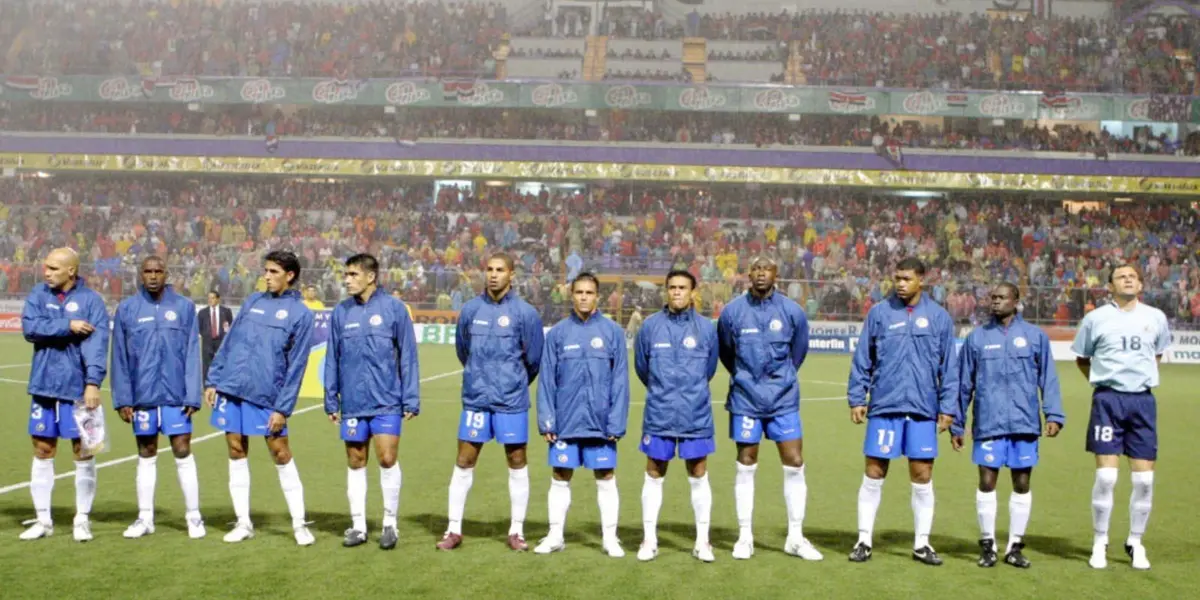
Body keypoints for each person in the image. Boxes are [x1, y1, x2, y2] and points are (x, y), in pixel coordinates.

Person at [847, 257, 958, 566]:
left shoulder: (939, 317)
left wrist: (949, 407)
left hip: (923, 408)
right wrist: (857, 397)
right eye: (896, 278)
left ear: (922, 280)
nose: (900, 283)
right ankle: (863, 539)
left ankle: (922, 543)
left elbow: (950, 368)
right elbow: (862, 359)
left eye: (907, 278)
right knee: (874, 472)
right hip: (885, 405)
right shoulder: (880, 313)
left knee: (922, 474)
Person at [205, 250, 316, 546]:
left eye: (273, 272)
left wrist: (283, 407)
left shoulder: (301, 314)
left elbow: (297, 365)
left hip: (267, 394)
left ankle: (299, 523)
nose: (266, 276)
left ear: (289, 275)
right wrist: (214, 379)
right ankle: (243, 523)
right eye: (265, 271)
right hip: (232, 387)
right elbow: (230, 342)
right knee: (235, 449)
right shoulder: (253, 301)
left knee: (280, 453)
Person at [717, 255, 821, 561]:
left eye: (768, 269)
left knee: (794, 461)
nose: (762, 274)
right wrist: (745, 379)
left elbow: (798, 352)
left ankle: (795, 536)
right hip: (746, 399)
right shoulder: (732, 312)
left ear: (776, 274)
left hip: (783, 399)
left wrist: (780, 381)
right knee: (746, 461)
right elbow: (726, 352)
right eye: (757, 269)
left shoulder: (792, 311)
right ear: (749, 274)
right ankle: (745, 536)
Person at [952, 282, 1064, 568]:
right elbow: (964, 384)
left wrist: (1053, 414)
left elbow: (1048, 379)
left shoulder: (1034, 337)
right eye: (993, 297)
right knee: (987, 482)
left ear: (1016, 301)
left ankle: (1015, 545)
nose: (995, 302)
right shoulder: (976, 338)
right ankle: (987, 544)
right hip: (989, 421)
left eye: (1002, 298)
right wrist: (957, 423)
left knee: (1022, 482)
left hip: (1024, 422)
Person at [438, 253, 544, 551]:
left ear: (512, 275)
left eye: (500, 270)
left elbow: (533, 360)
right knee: (464, 461)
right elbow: (463, 351)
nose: (493, 275)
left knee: (517, 461)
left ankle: (517, 531)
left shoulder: (526, 313)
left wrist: (513, 382)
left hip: (511, 401)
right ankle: (454, 529)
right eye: (489, 269)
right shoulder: (471, 310)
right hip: (476, 400)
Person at [1071, 264, 1170, 571]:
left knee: (1144, 481)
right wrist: (1104, 380)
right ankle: (1100, 541)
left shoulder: (1156, 317)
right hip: (1108, 400)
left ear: (1140, 285)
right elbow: (1082, 358)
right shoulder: (1096, 319)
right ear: (1110, 286)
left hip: (1142, 401)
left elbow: (1157, 355)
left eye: (1133, 276)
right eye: (1121, 277)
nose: (1128, 279)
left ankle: (1135, 541)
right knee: (1107, 477)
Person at [325, 254, 420, 551]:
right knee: (355, 461)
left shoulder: (393, 309)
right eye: (346, 274)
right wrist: (331, 399)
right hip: (353, 401)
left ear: (371, 277)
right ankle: (358, 526)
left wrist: (411, 397)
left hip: (386, 400)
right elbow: (332, 357)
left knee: (387, 459)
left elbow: (408, 355)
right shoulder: (341, 313)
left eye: (353, 274)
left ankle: (390, 524)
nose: (347, 279)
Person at [534, 272, 630, 557]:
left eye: (589, 292)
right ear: (571, 295)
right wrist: (547, 420)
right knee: (560, 475)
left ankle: (610, 538)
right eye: (579, 292)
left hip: (601, 422)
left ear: (597, 296)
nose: (584, 297)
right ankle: (555, 535)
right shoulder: (558, 334)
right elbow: (546, 380)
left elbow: (621, 381)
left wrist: (616, 421)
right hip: (565, 421)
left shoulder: (612, 332)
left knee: (605, 475)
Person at [110, 256, 206, 540]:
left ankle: (194, 516)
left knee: (182, 449)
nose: (153, 276)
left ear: (167, 274)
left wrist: (192, 394)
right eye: (148, 271)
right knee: (146, 452)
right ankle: (145, 518)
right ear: (140, 274)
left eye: (158, 271)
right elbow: (119, 357)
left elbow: (191, 353)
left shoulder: (184, 307)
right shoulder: (127, 309)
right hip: (143, 396)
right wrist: (123, 398)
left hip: (176, 395)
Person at [19, 248, 110, 542]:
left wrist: (93, 383)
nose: (46, 272)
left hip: (81, 390)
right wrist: (67, 326)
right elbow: (30, 329)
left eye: (54, 268)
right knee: (42, 450)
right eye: (46, 267)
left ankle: (82, 518)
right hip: (44, 387)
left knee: (84, 452)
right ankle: (43, 520)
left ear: (71, 271)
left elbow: (97, 344)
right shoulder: (38, 295)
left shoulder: (92, 301)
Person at [634, 270, 719, 562]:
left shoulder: (707, 329)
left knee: (698, 473)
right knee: (654, 473)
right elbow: (642, 368)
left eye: (682, 287)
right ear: (666, 291)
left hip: (696, 414)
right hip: (659, 412)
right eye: (672, 287)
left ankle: (702, 542)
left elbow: (709, 369)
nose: (677, 292)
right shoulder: (650, 327)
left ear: (693, 291)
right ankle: (649, 540)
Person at [199, 291, 233, 382]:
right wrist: (206, 335)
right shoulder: (202, 312)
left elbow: (230, 326)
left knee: (221, 363)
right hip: (207, 342)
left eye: (213, 298)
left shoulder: (226, 311)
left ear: (218, 299)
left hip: (221, 342)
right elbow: (200, 328)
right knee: (206, 365)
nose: (210, 300)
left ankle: (220, 385)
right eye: (209, 298)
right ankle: (206, 386)